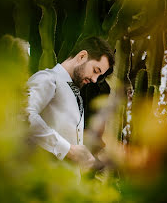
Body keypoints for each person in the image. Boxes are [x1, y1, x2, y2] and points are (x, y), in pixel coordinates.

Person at [26, 36, 115, 170]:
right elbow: (24, 115)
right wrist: (68, 150)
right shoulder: (48, 78)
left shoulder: (74, 92)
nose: (95, 80)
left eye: (99, 75)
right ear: (82, 56)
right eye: (96, 71)